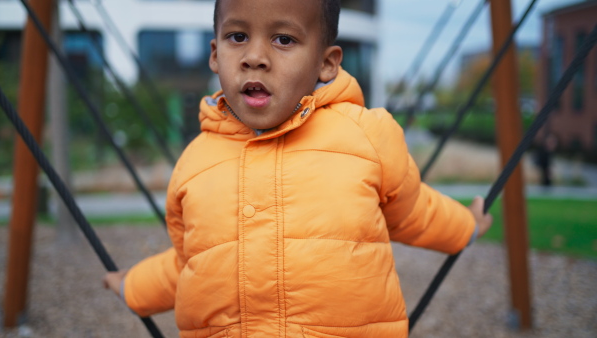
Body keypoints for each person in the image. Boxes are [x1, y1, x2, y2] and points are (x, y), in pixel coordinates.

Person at [103, 0, 493, 336]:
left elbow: (414, 212)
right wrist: (132, 287)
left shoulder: (365, 137)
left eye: (283, 39)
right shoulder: (194, 164)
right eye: (237, 36)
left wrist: (466, 226)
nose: (254, 56)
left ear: (326, 64)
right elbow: (192, 261)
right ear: (215, 54)